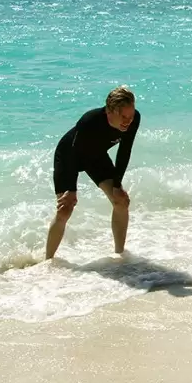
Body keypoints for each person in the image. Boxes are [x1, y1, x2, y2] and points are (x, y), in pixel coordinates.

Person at [46, 85, 141, 259]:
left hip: (95, 156)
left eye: (131, 115)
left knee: (121, 201)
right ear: (109, 111)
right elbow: (74, 154)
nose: (128, 120)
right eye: (123, 116)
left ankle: (120, 256)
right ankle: (47, 262)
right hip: (69, 155)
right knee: (65, 209)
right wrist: (70, 189)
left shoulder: (133, 120)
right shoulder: (89, 121)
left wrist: (117, 185)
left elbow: (124, 152)